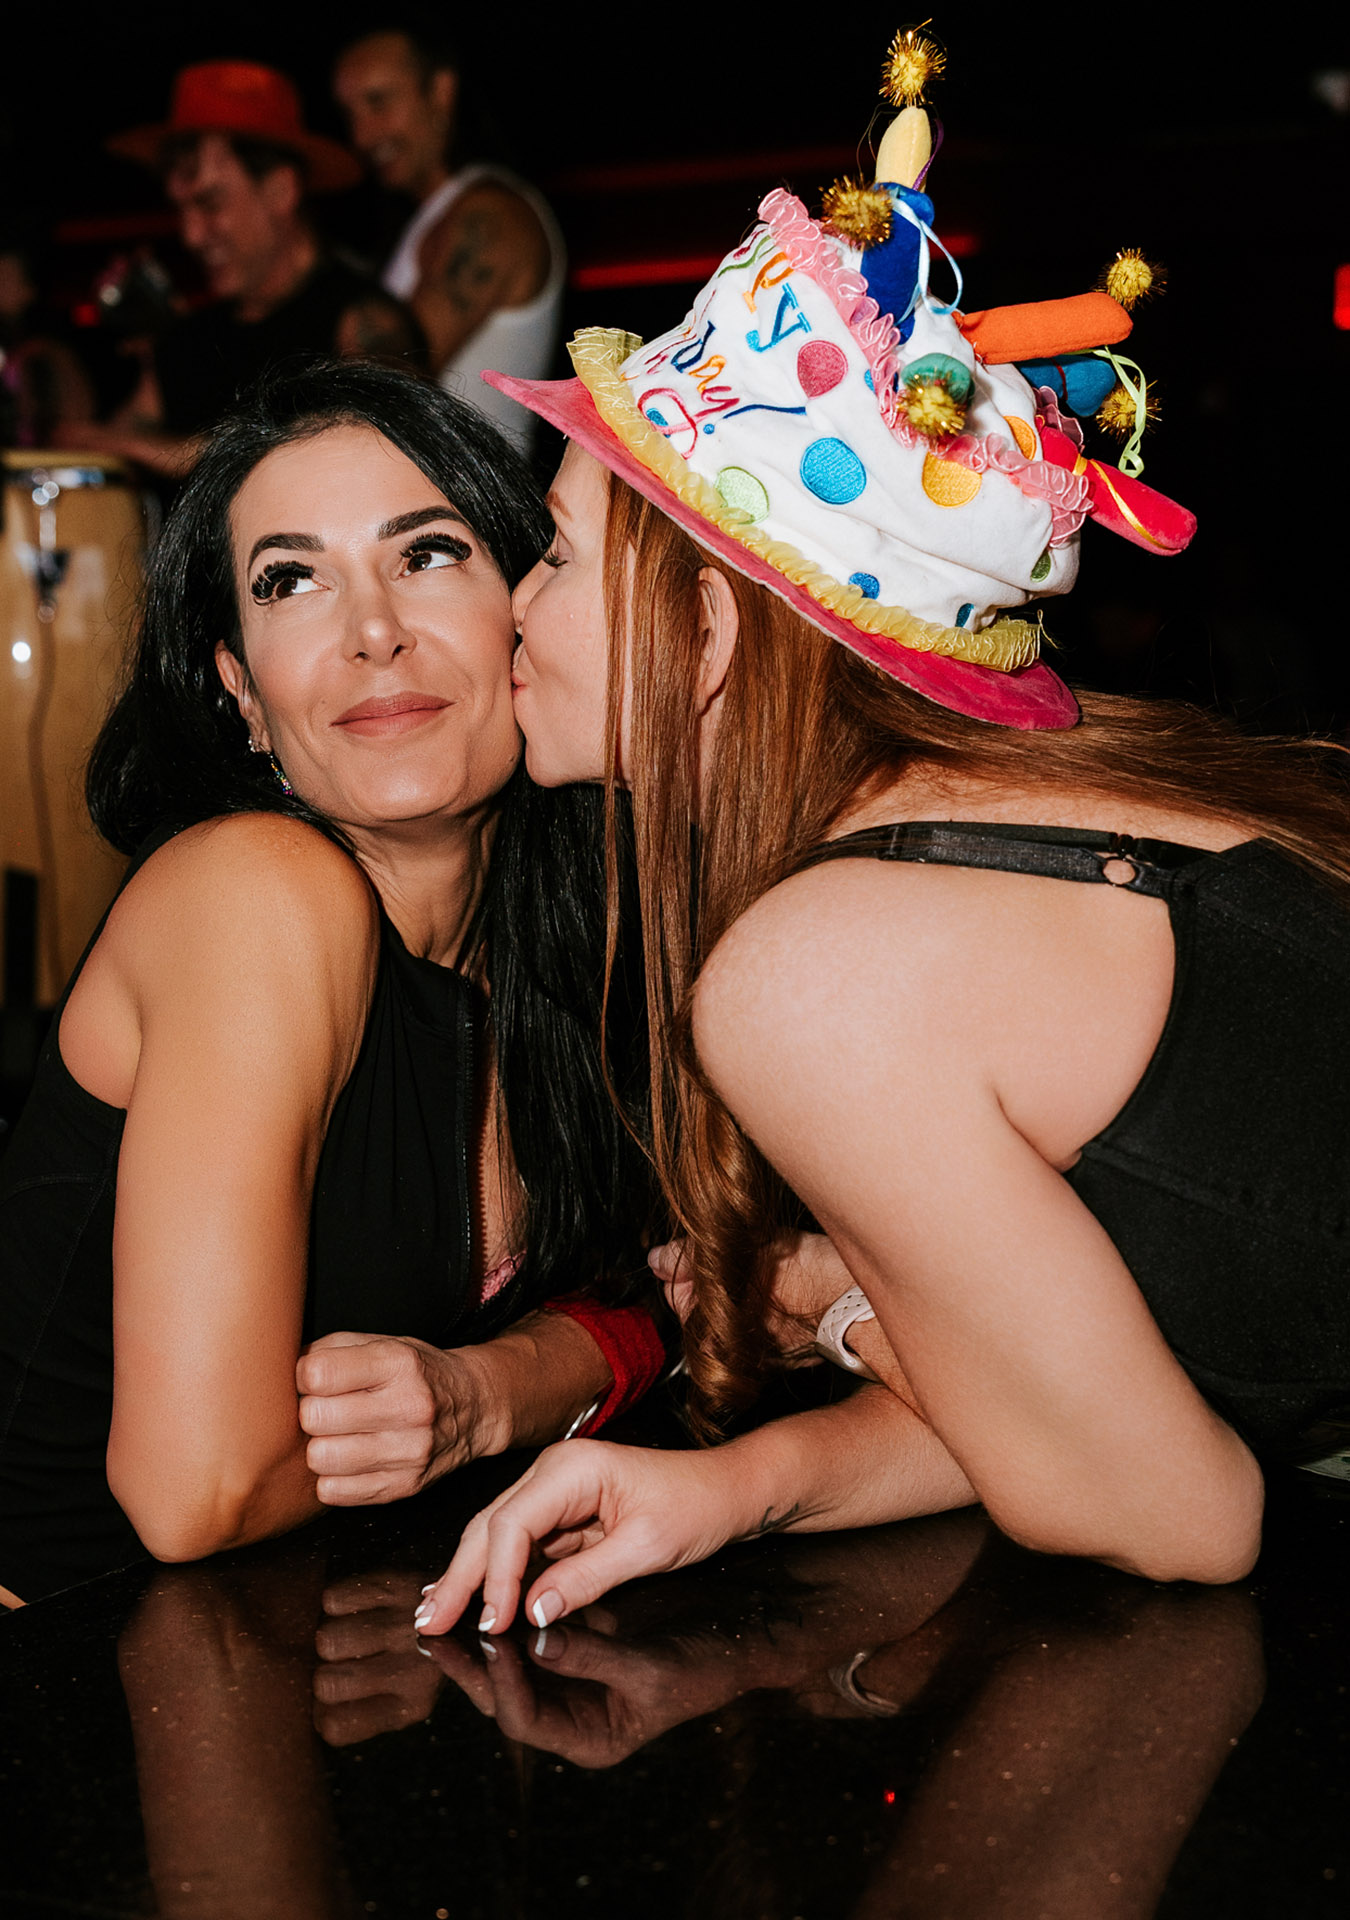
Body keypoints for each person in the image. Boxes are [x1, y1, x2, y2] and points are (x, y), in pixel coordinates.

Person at [414, 33, 1350, 1641]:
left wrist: (837, 1310)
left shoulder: (814, 974)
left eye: (555, 558)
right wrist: (744, 1485)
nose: (510, 605)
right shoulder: (1008, 807)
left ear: (706, 636)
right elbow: (1067, 1397)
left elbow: (1169, 1514)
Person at [0, 359, 664, 1608]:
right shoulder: (255, 893)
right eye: (290, 582)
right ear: (242, 693)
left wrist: (514, 1383)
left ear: (528, 614)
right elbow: (199, 1490)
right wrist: (519, 1392)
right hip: (61, 1671)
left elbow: (703, 1298)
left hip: (333, 1645)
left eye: (429, 554)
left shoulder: (583, 940)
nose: (373, 631)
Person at [71, 62, 423, 477]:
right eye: (181, 210)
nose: (191, 235)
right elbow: (100, 450)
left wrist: (156, 450)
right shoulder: (188, 340)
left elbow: (383, 447)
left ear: (280, 191)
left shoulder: (359, 319)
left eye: (210, 204)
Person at [333, 19, 565, 455]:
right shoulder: (427, 219)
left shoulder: (492, 216)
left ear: (440, 91)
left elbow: (391, 381)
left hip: (476, 497)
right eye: (350, 115)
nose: (361, 135)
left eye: (378, 101)